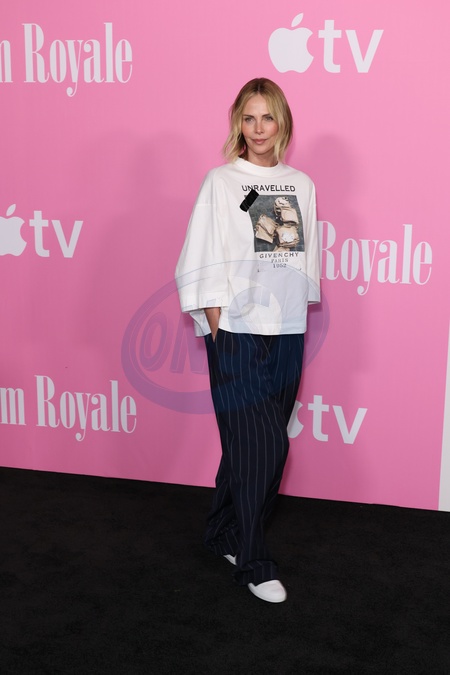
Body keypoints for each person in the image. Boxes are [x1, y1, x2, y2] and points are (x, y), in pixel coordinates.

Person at [175, 78, 320, 603]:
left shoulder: (301, 184)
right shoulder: (221, 181)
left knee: (249, 445)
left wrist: (297, 312)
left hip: (287, 330)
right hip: (236, 329)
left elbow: (303, 255)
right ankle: (254, 561)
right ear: (238, 123)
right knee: (266, 446)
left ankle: (222, 532)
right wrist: (215, 321)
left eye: (268, 117)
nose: (258, 129)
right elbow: (199, 250)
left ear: (282, 123)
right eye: (249, 118)